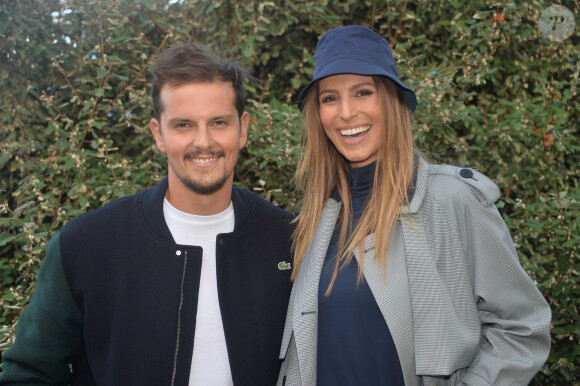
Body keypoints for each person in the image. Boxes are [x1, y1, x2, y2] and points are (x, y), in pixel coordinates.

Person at [0, 42, 294, 385]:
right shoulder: (87, 245)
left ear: (242, 129)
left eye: (218, 122)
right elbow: (28, 373)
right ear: (159, 134)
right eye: (183, 125)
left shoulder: (288, 240)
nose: (203, 141)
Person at [277, 25, 551, 386]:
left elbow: (522, 328)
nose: (345, 112)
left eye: (362, 92)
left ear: (391, 100)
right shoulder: (317, 217)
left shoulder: (452, 199)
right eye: (329, 98)